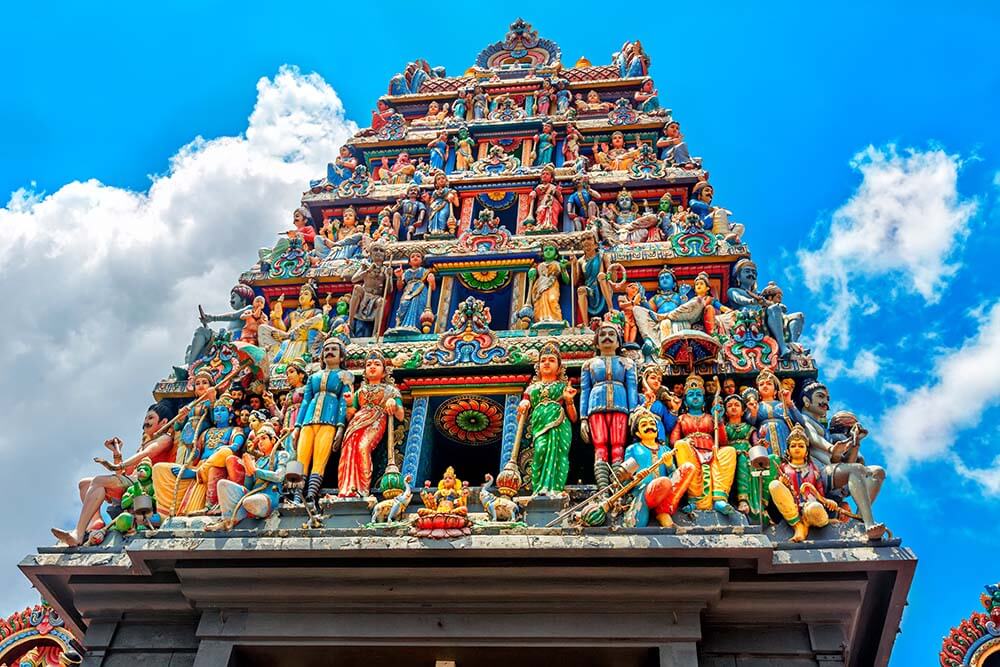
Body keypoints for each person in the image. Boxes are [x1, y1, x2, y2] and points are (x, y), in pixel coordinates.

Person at [52, 402, 178, 546]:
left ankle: (78, 534)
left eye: (150, 418)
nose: (145, 422)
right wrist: (117, 454)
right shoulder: (143, 445)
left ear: (163, 422)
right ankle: (95, 522)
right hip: (130, 482)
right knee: (85, 484)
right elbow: (122, 474)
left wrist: (119, 465)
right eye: (145, 418)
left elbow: (148, 453)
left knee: (98, 481)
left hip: (144, 485)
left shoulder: (165, 439)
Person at [292, 338, 352, 508]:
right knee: (301, 459)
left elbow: (343, 401)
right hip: (308, 421)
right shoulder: (313, 377)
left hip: (329, 421)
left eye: (334, 349)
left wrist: (340, 426)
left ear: (341, 357)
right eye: (326, 349)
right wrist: (297, 426)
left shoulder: (344, 376)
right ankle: (296, 496)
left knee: (320, 459)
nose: (329, 352)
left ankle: (311, 495)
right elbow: (305, 401)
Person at [338, 352, 404, 497]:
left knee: (363, 447)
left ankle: (362, 489)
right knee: (349, 451)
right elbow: (350, 415)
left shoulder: (391, 391)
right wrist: (349, 403)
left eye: (377, 364)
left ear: (384, 371)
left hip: (377, 419)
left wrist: (392, 403)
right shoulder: (360, 392)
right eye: (369, 365)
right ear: (365, 372)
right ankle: (348, 488)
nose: (372, 367)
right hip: (356, 423)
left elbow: (400, 415)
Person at [517, 342, 577, 496]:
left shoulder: (562, 386)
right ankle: (539, 489)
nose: (547, 363)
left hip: (559, 424)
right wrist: (523, 403)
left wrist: (568, 400)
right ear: (538, 366)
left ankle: (555, 489)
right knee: (541, 451)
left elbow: (574, 417)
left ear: (559, 367)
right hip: (539, 425)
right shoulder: (531, 389)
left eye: (551, 360)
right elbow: (520, 419)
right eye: (543, 360)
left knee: (558, 454)